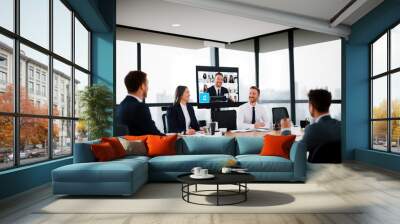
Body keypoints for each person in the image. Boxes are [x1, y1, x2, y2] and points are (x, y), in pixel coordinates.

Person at [281, 89, 341, 160]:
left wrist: (286, 130)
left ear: (311, 106)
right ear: (328, 105)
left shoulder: (313, 129)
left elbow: (294, 151)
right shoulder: (340, 126)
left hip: (315, 169)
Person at [117, 70, 163, 136]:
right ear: (142, 86)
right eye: (147, 84)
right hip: (141, 145)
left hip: (127, 145)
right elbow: (154, 133)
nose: (148, 88)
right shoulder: (140, 107)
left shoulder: (121, 106)